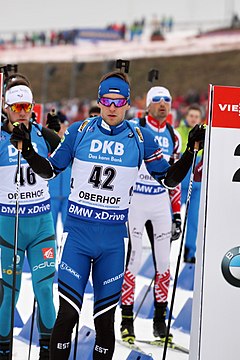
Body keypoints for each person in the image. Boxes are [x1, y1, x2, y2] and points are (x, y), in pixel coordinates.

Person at [10, 70, 205, 360]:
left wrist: (190, 152)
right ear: (99, 101)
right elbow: (50, 170)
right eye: (106, 100)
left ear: (128, 103)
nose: (112, 107)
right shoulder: (81, 131)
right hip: (78, 237)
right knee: (66, 316)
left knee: (104, 322)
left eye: (119, 101)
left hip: (113, 241)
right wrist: (26, 151)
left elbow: (168, 179)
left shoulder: (141, 137)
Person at [0, 74, 61, 360]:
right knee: (8, 294)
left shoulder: (44, 137)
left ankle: (47, 353)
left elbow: (57, 163)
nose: (22, 112)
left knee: (45, 290)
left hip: (41, 225)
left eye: (26, 107)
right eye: (16, 107)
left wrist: (56, 136)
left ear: (33, 106)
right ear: (7, 108)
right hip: (8, 226)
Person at [120, 86, 182, 343]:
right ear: (147, 105)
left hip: (159, 204)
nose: (162, 104)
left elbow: (175, 179)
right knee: (133, 262)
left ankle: (160, 322)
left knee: (164, 264)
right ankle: (126, 322)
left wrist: (176, 214)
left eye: (166, 100)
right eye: (156, 100)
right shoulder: (134, 128)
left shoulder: (174, 135)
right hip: (136, 203)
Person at [175, 103, 203, 263]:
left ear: (200, 119)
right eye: (191, 116)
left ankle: (190, 252)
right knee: (172, 219)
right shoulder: (178, 132)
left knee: (193, 221)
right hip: (180, 186)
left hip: (196, 187)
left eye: (196, 117)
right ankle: (163, 249)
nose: (193, 119)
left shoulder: (204, 134)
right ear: (187, 117)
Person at [48, 111, 71, 234]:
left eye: (64, 124)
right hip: (51, 195)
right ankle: (53, 252)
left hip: (69, 194)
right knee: (50, 230)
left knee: (69, 230)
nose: (62, 127)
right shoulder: (47, 141)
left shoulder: (71, 142)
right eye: (59, 124)